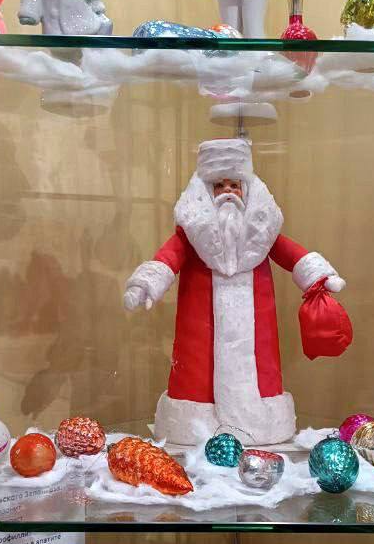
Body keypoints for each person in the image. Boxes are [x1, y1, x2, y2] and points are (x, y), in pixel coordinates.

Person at [123, 138, 344, 445]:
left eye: (234, 185)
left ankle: (257, 423)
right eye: (219, 185)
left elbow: (289, 252)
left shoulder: (261, 232)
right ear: (206, 191)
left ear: (246, 189)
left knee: (261, 369)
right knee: (197, 371)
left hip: (256, 325)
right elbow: (168, 257)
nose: (227, 192)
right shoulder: (193, 232)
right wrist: (146, 283)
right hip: (200, 323)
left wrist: (318, 276)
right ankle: (198, 427)